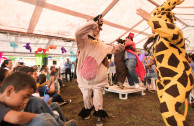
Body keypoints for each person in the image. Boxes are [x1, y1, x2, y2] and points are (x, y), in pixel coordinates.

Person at [137, 0, 194, 125]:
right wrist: (152, 60)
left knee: (168, 111)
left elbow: (170, 31)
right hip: (164, 80)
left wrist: (149, 18)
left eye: (154, 21)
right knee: (169, 111)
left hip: (179, 78)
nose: (150, 25)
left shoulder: (174, 33)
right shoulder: (158, 39)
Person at [75, 14, 125, 125]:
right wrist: (93, 23)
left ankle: (99, 114)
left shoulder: (102, 45)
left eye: (98, 28)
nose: (96, 30)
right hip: (84, 77)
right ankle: (87, 109)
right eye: (94, 28)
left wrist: (122, 45)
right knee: (86, 95)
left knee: (97, 95)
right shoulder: (82, 41)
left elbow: (113, 48)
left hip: (98, 77)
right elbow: (78, 32)